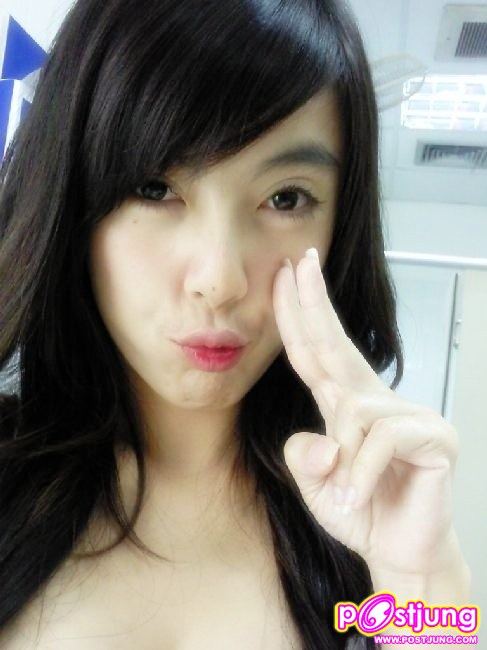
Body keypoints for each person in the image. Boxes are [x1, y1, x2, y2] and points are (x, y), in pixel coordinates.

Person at [0, 0, 470, 648]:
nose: (220, 280)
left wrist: (423, 582)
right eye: (154, 188)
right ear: (73, 195)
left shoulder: (360, 513)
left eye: (285, 198)